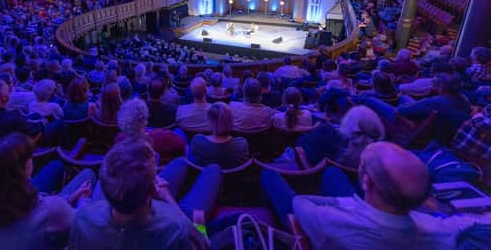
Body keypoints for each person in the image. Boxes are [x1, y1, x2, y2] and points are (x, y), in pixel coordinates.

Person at [260, 142, 481, 249]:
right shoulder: (442, 232)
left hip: (329, 226)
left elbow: (299, 202)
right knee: (331, 172)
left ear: (366, 181)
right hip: (383, 218)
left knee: (269, 175)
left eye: (362, 166)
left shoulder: (331, 220)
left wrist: (345, 203)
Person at [70, 136, 214, 250]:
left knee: (180, 164)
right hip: (180, 221)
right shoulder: (176, 230)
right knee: (211, 170)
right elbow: (204, 245)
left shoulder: (81, 220)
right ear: (152, 189)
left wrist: (82, 199)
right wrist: (167, 198)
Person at [0, 133, 95, 250]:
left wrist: (69, 198)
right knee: (88, 174)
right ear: (21, 171)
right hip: (59, 222)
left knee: (56, 166)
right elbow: (84, 225)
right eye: (29, 157)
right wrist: (83, 199)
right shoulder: (50, 209)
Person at [398, 73, 472, 144]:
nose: (434, 88)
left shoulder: (435, 102)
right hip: (448, 133)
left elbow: (401, 111)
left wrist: (405, 105)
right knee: (404, 97)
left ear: (441, 89)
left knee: (396, 102)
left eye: (436, 86)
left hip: (425, 135)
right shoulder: (465, 98)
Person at [116, 99, 185, 165]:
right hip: (158, 171)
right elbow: (182, 145)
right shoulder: (162, 136)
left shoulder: (119, 139)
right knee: (179, 131)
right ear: (144, 120)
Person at [189, 102, 249, 169]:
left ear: (209, 121)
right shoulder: (242, 144)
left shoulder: (197, 141)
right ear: (231, 120)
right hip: (233, 179)